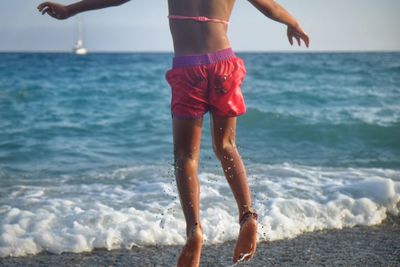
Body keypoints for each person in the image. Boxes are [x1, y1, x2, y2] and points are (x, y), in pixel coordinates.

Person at [37, 0, 309, 266]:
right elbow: (269, 6)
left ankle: (194, 231)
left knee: (185, 156)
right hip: (224, 63)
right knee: (226, 146)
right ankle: (247, 215)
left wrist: (70, 9)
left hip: (188, 67)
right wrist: (293, 23)